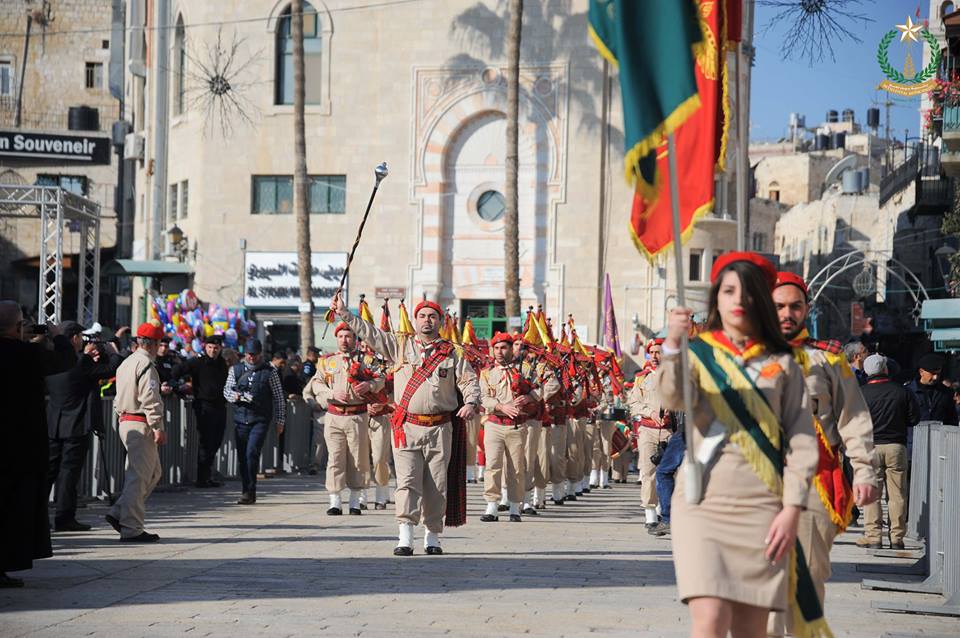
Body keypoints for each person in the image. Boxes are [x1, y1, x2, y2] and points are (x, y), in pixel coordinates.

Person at [659, 253, 824, 638]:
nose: (738, 299)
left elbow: (801, 440)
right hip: (703, 503)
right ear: (716, 298)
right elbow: (670, 397)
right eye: (728, 290)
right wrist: (672, 345)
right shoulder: (699, 354)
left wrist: (792, 508)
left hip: (763, 504)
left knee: (753, 629)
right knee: (710, 619)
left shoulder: (783, 362)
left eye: (747, 292)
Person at [330, 292, 480, 556]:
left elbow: (468, 381)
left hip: (439, 427)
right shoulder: (399, 345)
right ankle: (405, 536)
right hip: (406, 426)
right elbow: (370, 333)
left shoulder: (453, 352)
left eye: (432, 317)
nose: (427, 321)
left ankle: (432, 536)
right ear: (415, 319)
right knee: (407, 482)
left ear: (441, 321)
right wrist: (344, 313)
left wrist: (471, 403)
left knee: (436, 483)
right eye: (422, 316)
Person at [770, 272, 879, 632]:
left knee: (807, 578)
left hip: (812, 484)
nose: (787, 313)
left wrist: (864, 471)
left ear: (806, 309)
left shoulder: (829, 360)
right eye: (779, 306)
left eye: (795, 306)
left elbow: (854, 418)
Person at [0, 302, 74, 587]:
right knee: (13, 511)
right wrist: (56, 335)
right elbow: (65, 361)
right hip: (19, 448)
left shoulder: (25, 350)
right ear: (19, 327)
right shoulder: (26, 354)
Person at [46, 320, 123, 531]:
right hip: (76, 425)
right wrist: (112, 349)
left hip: (54, 423)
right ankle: (64, 518)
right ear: (73, 339)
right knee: (68, 474)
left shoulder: (51, 360)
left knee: (49, 472)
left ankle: (37, 515)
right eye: (80, 337)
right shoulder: (80, 361)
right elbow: (110, 369)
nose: (83, 341)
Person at [307, 323, 383, 515]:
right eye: (340, 336)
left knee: (358, 458)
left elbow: (381, 378)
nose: (344, 340)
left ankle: (355, 501)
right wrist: (331, 393)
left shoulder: (366, 360)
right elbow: (316, 383)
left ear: (355, 339)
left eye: (348, 336)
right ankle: (335, 501)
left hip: (357, 415)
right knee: (335, 458)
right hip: (333, 415)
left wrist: (370, 385)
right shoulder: (327, 361)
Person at [106, 322, 167, 543]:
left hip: (127, 420)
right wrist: (158, 426)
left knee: (152, 473)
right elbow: (150, 400)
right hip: (140, 422)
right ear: (153, 344)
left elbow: (116, 396)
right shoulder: (146, 365)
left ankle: (119, 512)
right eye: (160, 343)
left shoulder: (127, 363)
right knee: (139, 477)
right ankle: (131, 527)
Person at [857, 354, 919, 550]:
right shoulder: (903, 391)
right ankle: (897, 537)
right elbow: (914, 419)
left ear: (866, 372)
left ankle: (873, 537)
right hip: (896, 446)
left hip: (870, 447)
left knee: (871, 494)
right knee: (898, 494)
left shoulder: (861, 393)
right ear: (885, 369)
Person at [479, 332, 534, 522]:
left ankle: (514, 506)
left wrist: (529, 397)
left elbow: (542, 387)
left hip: (516, 426)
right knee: (492, 464)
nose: (499, 352)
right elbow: (483, 397)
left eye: (503, 348)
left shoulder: (525, 369)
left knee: (516, 467)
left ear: (511, 349)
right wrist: (501, 406)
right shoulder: (487, 372)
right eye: (496, 348)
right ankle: (491, 506)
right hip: (494, 423)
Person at [223, 339, 286, 505]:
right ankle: (246, 489)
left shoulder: (270, 372)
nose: (252, 358)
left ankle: (250, 490)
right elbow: (226, 390)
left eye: (255, 355)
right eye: (249, 354)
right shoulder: (235, 370)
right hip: (240, 418)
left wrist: (280, 421)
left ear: (260, 354)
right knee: (243, 456)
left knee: (252, 453)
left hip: (260, 419)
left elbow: (279, 398)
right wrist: (235, 396)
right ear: (245, 354)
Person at [171, 334, 229, 488]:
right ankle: (202, 478)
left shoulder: (222, 363)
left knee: (216, 441)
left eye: (216, 348)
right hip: (204, 406)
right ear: (205, 347)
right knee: (206, 442)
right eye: (210, 347)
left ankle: (208, 475)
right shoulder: (198, 362)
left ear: (220, 348)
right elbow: (178, 370)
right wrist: (174, 384)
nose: (213, 350)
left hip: (219, 406)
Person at [626, 338, 667, 528]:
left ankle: (663, 510)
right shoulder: (642, 377)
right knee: (648, 471)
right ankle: (650, 514)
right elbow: (633, 403)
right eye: (652, 352)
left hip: (670, 430)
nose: (655, 356)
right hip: (648, 429)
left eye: (659, 352)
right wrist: (649, 412)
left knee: (669, 472)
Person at [905, 353, 958, 425]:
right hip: (915, 434)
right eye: (932, 373)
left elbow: (952, 419)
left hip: (939, 435)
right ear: (921, 372)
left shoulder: (946, 392)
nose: (935, 377)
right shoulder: (908, 392)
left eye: (938, 374)